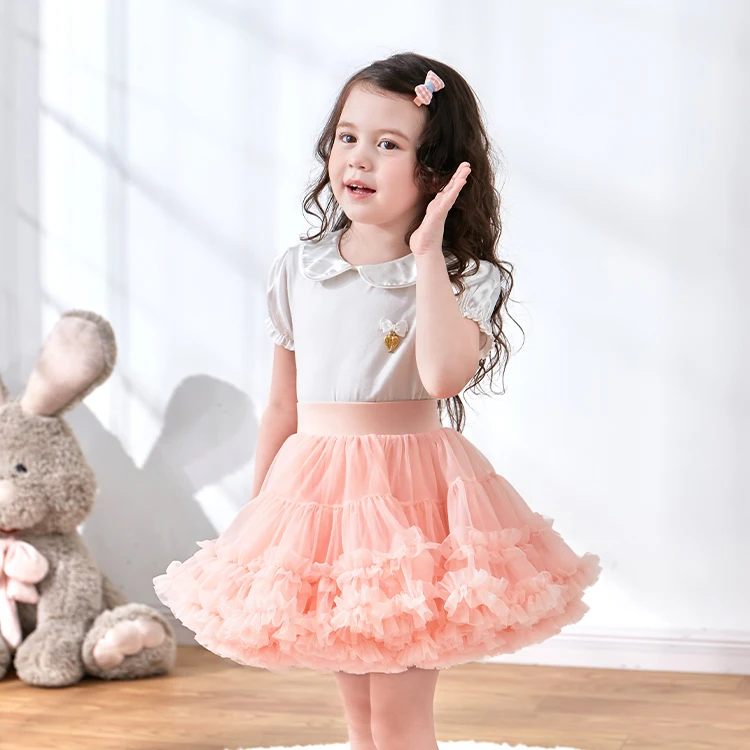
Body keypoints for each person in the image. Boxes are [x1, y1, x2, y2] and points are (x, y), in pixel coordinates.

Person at [154, 51, 602, 750]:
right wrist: (258, 518)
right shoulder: (301, 267)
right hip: (319, 498)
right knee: (360, 713)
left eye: (388, 144)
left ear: (435, 172)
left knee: (397, 714)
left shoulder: (459, 275)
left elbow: (443, 377)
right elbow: (282, 406)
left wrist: (426, 255)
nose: (358, 158)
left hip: (411, 499)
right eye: (347, 136)